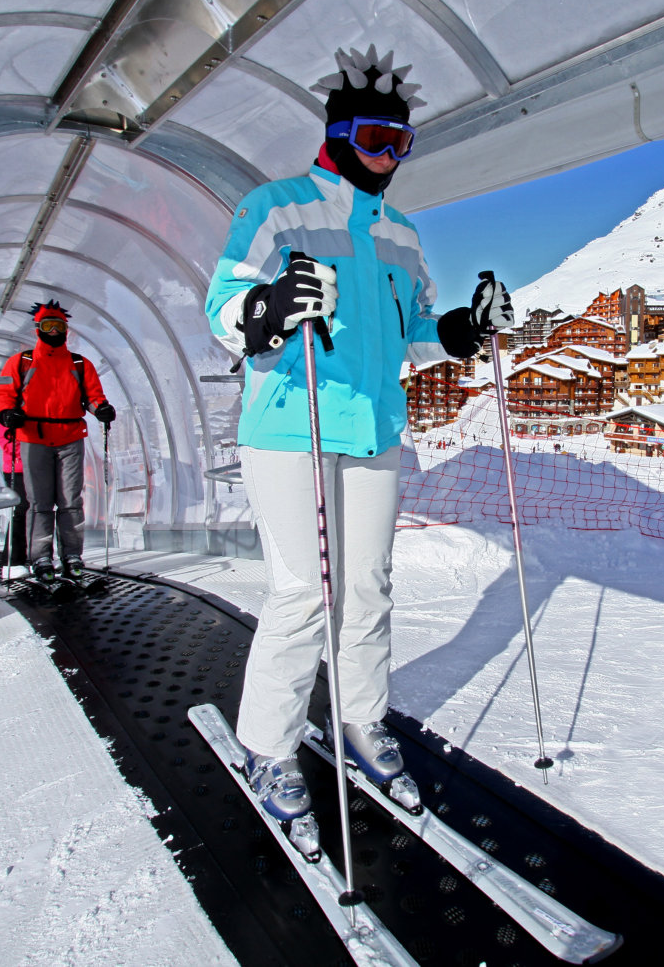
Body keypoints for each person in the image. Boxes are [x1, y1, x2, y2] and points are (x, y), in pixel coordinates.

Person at [203, 44, 514, 835]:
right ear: (340, 133)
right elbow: (224, 308)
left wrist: (460, 330)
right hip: (290, 426)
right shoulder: (276, 208)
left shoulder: (402, 235)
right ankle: (266, 746)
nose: (389, 158)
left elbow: (409, 332)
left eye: (401, 144)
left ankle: (361, 717)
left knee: (369, 586)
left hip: (373, 427)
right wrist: (271, 303)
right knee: (305, 591)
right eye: (376, 140)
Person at [0, 301, 116, 585]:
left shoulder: (78, 363)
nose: (53, 331)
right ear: (38, 329)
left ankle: (72, 555)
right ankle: (40, 557)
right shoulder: (20, 362)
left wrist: (101, 409)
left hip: (70, 437)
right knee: (40, 502)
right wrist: (7, 413)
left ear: (65, 330)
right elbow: (4, 395)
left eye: (58, 326)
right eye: (48, 325)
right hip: (33, 438)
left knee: (71, 500)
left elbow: (93, 396)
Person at [0, 412, 30, 576]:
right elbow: (7, 442)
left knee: (41, 509)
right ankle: (12, 561)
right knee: (20, 509)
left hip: (38, 465)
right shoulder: (6, 407)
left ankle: (41, 557)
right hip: (18, 468)